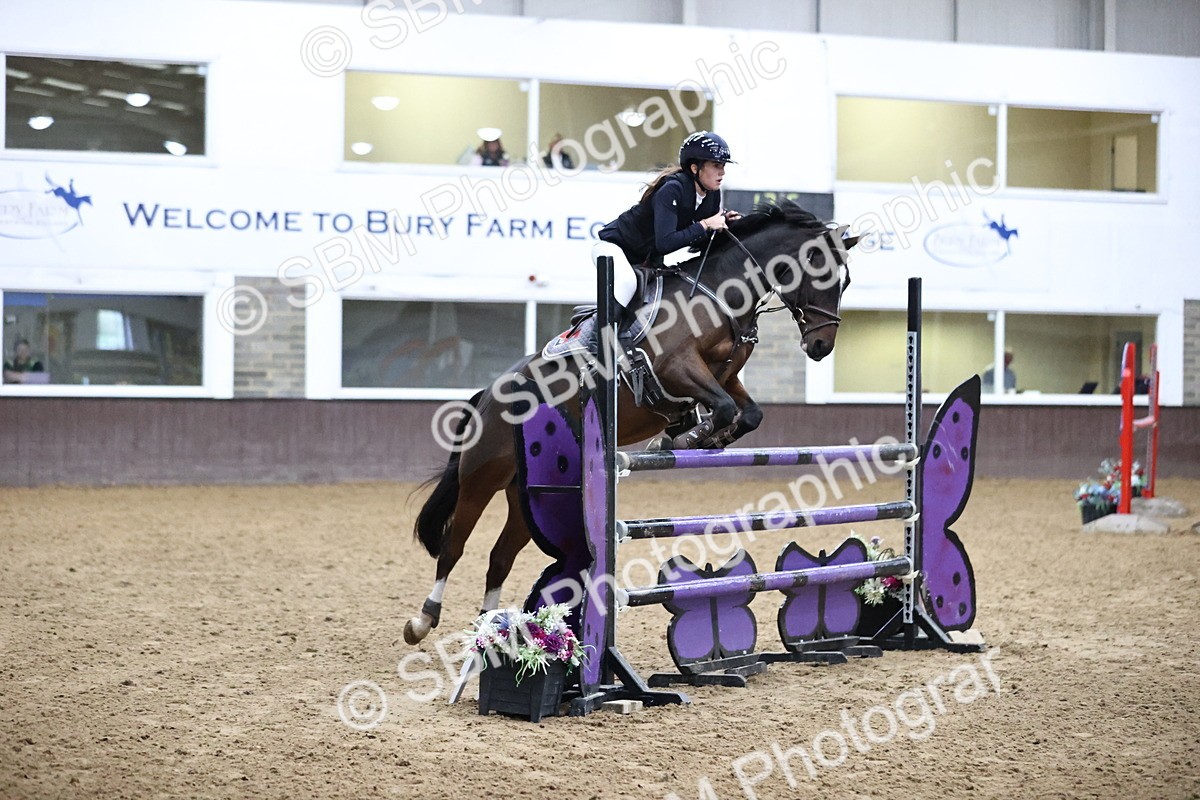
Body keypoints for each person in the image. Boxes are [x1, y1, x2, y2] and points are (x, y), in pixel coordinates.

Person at [590, 131, 740, 350]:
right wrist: (706, 225)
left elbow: (696, 239)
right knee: (627, 283)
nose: (722, 172)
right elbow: (666, 242)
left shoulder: (712, 195)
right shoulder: (672, 189)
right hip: (613, 248)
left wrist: (723, 224)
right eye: (716, 165)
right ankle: (597, 345)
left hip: (647, 259)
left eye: (723, 166)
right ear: (695, 168)